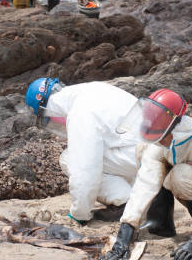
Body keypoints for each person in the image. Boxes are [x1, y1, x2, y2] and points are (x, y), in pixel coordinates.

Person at [102, 89, 192, 260]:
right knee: (145, 152)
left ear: (174, 127)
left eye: (161, 137)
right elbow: (144, 184)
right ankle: (161, 223)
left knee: (180, 175)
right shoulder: (160, 143)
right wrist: (125, 232)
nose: (159, 142)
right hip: (190, 184)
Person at [24, 78, 141, 224]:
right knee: (98, 152)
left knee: (70, 159)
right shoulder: (92, 89)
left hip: (139, 155)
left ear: (45, 109)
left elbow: (85, 171)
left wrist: (79, 215)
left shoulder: (80, 112)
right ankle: (135, 199)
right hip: (151, 148)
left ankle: (126, 202)